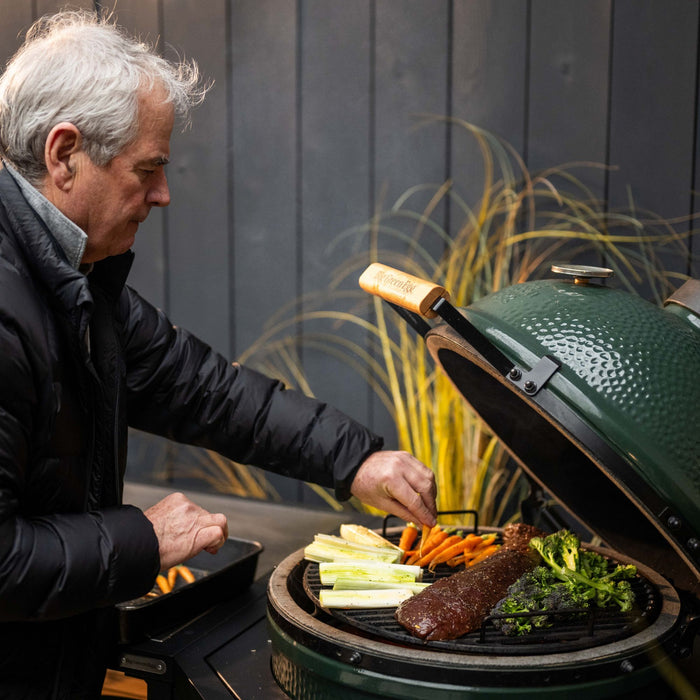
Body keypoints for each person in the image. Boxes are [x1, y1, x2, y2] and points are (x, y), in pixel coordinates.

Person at [0, 10, 437, 699]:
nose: (163, 195)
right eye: (147, 170)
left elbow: (201, 389)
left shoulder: (73, 276)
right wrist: (143, 539)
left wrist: (354, 457)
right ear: (64, 155)